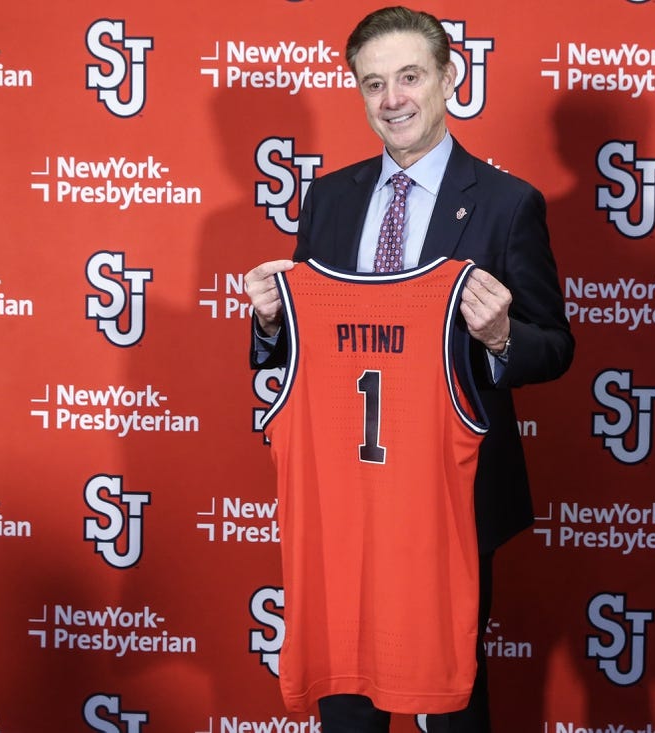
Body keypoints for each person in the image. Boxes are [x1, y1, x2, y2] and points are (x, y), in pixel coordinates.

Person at [244, 6, 574, 731]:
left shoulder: (506, 204)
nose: (391, 99)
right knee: (347, 693)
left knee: (448, 695)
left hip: (448, 493)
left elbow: (555, 345)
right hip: (347, 488)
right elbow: (312, 345)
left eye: (409, 77)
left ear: (449, 79)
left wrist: (498, 334)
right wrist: (271, 320)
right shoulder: (329, 198)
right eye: (373, 84)